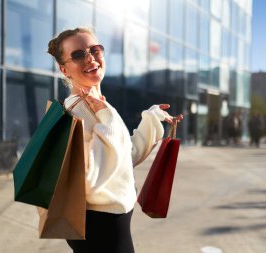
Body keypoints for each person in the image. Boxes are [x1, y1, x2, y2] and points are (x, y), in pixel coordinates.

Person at [47, 27, 183, 253]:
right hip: (99, 228)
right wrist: (107, 120)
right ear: (64, 69)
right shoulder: (76, 112)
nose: (90, 57)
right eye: (79, 54)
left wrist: (152, 117)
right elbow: (90, 178)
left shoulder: (98, 104)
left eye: (95, 49)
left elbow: (123, 159)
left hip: (112, 224)